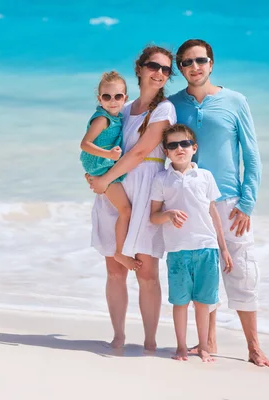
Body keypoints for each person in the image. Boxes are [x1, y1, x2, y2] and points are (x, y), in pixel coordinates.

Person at [168, 39, 269, 367]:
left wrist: (247, 201)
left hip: (230, 202)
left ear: (211, 63)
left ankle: (254, 347)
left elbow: (252, 154)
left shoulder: (235, 101)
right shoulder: (172, 105)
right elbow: (153, 152)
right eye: (187, 62)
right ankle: (207, 341)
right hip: (191, 203)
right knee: (204, 273)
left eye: (200, 60)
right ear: (180, 68)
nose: (194, 66)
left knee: (242, 272)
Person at [87, 46, 176, 351]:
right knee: (115, 270)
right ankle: (119, 336)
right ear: (139, 68)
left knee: (147, 272)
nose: (160, 73)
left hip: (147, 185)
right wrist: (94, 177)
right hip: (117, 187)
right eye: (154, 66)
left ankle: (150, 342)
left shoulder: (164, 110)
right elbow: (96, 145)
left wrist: (104, 180)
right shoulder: (122, 107)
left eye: (166, 69)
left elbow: (140, 152)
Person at [149, 124, 234, 362]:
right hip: (177, 250)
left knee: (204, 302)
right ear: (166, 151)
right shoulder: (162, 179)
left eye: (184, 144)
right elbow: (153, 216)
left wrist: (224, 248)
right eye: (173, 145)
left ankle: (205, 347)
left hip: (207, 248)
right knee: (180, 302)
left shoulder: (205, 176)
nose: (179, 149)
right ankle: (181, 347)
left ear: (193, 148)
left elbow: (213, 213)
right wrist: (168, 215)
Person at [80, 71, 141, 272]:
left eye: (118, 96)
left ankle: (119, 248)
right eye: (107, 97)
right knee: (126, 210)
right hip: (100, 166)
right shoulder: (103, 119)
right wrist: (108, 154)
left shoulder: (117, 115)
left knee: (124, 210)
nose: (112, 101)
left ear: (125, 97)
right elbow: (85, 144)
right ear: (100, 99)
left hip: (102, 166)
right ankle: (120, 252)